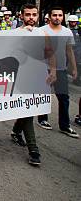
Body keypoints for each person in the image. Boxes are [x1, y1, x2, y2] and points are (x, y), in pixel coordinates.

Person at [9, 3, 56, 166]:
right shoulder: (14, 33)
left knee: (29, 109)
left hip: (38, 77)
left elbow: (50, 52)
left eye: (34, 14)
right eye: (27, 14)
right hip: (20, 77)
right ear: (21, 16)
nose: (31, 18)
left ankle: (16, 131)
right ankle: (33, 150)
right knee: (28, 109)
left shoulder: (43, 33)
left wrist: (53, 71)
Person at [37, 7, 78, 138]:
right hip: (44, 69)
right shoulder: (42, 31)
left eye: (60, 15)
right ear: (49, 16)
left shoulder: (67, 32)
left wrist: (74, 67)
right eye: (54, 15)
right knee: (45, 96)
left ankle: (65, 126)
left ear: (63, 17)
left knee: (64, 98)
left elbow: (69, 51)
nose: (57, 17)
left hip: (61, 70)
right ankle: (42, 119)